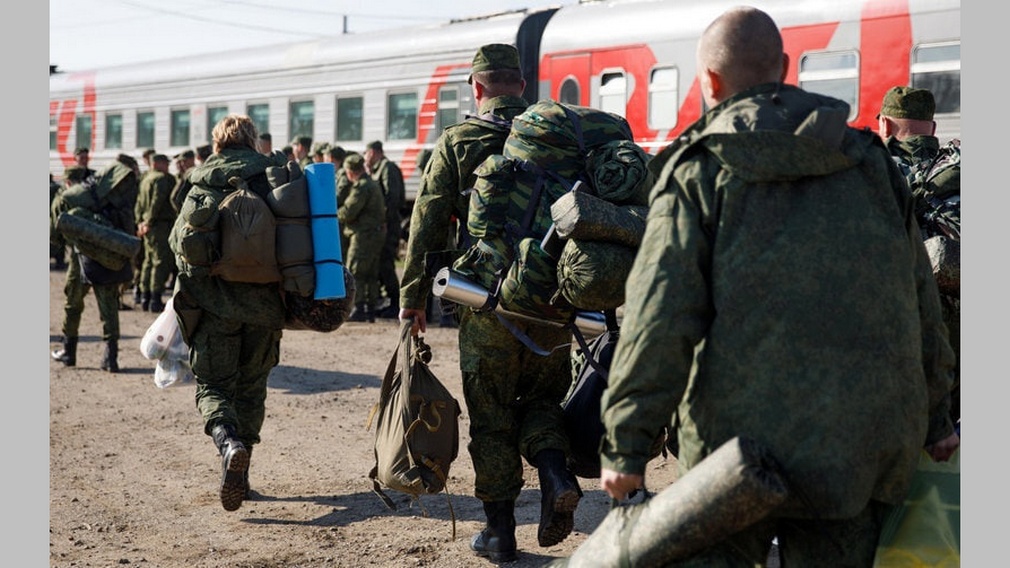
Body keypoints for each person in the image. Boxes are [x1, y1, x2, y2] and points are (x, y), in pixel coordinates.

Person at [596, 7, 958, 566]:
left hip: (733, 453)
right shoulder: (870, 163)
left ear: (709, 80)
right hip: (855, 447)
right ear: (785, 68)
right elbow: (919, 300)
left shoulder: (698, 172)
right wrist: (937, 416)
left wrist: (627, 443)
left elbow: (660, 317)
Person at [398, 43, 581, 562]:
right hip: (553, 299)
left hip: (486, 303)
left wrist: (414, 297)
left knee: (493, 413)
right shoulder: (560, 137)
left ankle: (500, 533)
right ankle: (555, 473)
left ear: (476, 88)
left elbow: (428, 222)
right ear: (521, 86)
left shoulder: (459, 141)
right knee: (543, 401)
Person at [169, 114, 288, 512]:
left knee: (214, 386)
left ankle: (227, 442)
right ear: (252, 141)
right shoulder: (273, 178)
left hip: (215, 305)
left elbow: (179, 246)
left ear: (217, 143)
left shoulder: (202, 181)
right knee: (252, 387)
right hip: (266, 307)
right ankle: (244, 474)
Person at [878, 86, 961, 429]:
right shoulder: (959, 169)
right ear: (933, 128)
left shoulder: (875, 172)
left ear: (884, 125)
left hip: (903, 338)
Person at [51, 155, 139, 372]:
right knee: (109, 307)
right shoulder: (108, 198)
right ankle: (111, 358)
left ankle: (69, 352)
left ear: (68, 182)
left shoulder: (68, 199)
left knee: (73, 304)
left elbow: (56, 234)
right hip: (106, 257)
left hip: (79, 259)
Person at [338, 153, 386, 323]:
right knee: (371, 273)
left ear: (351, 172)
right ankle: (370, 309)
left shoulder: (361, 187)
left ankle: (358, 308)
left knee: (355, 271)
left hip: (363, 235)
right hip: (374, 234)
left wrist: (332, 214)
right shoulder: (372, 183)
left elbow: (348, 212)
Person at [364, 140, 405, 318]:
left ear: (373, 152)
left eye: (366, 153)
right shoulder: (377, 169)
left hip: (388, 224)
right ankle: (390, 301)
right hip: (381, 223)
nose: (365, 157)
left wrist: (384, 220)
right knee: (381, 262)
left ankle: (396, 302)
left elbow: (391, 198)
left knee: (386, 263)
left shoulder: (387, 168)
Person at [134, 153, 177, 313]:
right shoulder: (162, 179)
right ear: (157, 163)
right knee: (160, 261)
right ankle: (155, 298)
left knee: (148, 261)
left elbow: (139, 203)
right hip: (160, 225)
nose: (168, 166)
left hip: (147, 226)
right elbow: (156, 202)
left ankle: (144, 296)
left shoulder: (146, 179)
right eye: (166, 163)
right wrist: (149, 221)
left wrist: (140, 222)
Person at [50, 173, 67, 269]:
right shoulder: (56, 188)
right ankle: (60, 261)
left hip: (52, 216)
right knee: (59, 240)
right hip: (56, 216)